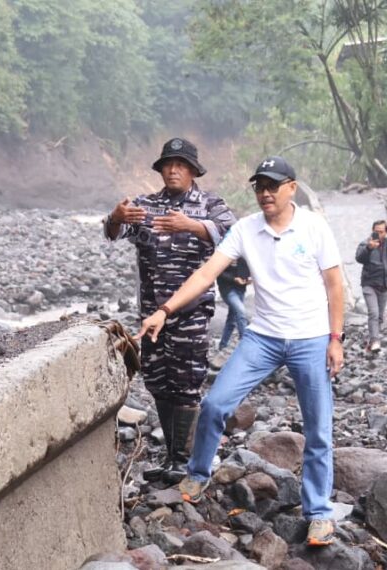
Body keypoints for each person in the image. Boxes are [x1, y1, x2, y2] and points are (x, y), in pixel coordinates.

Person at [136, 156, 346, 547]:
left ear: (291, 188)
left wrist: (336, 339)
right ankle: (198, 475)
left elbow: (335, 285)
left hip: (310, 339)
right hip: (262, 338)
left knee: (318, 428)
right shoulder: (247, 230)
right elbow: (205, 274)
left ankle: (318, 513)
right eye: (259, 187)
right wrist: (164, 310)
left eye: (273, 186)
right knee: (215, 405)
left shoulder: (315, 227)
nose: (265, 193)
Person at [104, 137, 237, 483]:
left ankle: (185, 459)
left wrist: (191, 226)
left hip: (191, 313)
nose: (173, 169)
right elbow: (114, 232)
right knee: (158, 382)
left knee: (187, 384)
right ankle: (172, 457)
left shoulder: (210, 205)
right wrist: (114, 218)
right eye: (168, 164)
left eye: (180, 164)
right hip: (151, 314)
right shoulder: (146, 205)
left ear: (193, 171)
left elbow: (234, 235)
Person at [354, 220, 387, 353]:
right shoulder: (365, 243)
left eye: (381, 231)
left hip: (384, 284)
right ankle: (375, 340)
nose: (378, 234)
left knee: (380, 316)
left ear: (386, 232)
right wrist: (369, 248)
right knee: (374, 313)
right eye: (376, 231)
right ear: (372, 230)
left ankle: (373, 340)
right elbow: (359, 258)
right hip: (369, 284)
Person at [216, 258, 250, 352]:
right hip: (228, 290)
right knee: (241, 312)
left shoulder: (245, 255)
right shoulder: (227, 252)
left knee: (232, 319)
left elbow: (248, 270)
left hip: (241, 289)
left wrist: (248, 279)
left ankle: (222, 345)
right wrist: (234, 279)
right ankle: (245, 344)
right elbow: (218, 272)